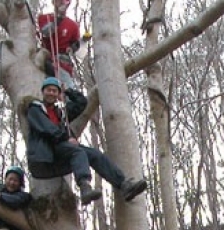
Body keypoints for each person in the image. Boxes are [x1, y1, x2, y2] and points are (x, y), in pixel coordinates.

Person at [23, 77, 147, 205]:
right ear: (43, 92)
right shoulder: (35, 109)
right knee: (77, 151)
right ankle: (85, 188)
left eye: (55, 91)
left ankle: (123, 185)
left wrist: (68, 91)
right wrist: (67, 138)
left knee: (94, 154)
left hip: (58, 158)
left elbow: (81, 103)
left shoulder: (60, 113)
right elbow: (47, 129)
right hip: (42, 161)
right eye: (49, 90)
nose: (51, 93)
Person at [37, 0, 82, 89]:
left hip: (62, 61)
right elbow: (46, 32)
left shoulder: (73, 25)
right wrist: (58, 20)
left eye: (64, 2)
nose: (61, 3)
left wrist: (73, 47)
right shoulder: (44, 18)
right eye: (59, 1)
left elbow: (75, 43)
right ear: (53, 2)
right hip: (45, 58)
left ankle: (71, 99)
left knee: (68, 88)